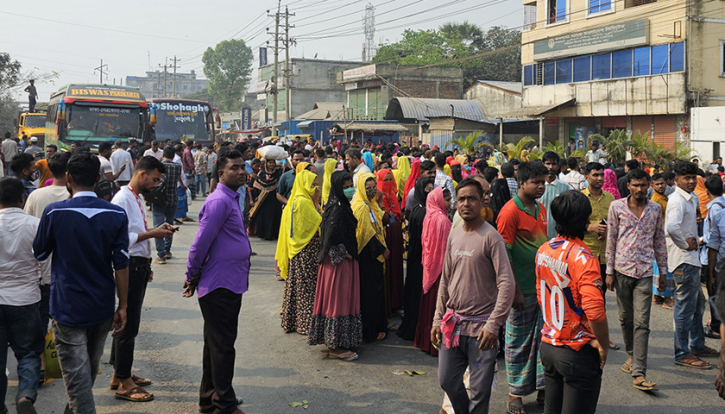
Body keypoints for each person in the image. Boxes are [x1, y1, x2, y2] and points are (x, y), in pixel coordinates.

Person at [33, 152, 129, 414]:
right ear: (98, 178)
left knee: (77, 378)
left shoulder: (55, 213)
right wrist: (124, 305)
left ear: (68, 178)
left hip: (67, 305)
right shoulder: (116, 214)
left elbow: (39, 251)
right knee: (85, 371)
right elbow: (121, 265)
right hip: (102, 305)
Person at [432, 178, 515, 414]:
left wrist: (494, 324)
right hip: (453, 325)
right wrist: (437, 319)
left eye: (472, 198)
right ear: (455, 203)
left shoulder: (491, 237)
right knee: (447, 380)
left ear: (482, 201)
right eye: (461, 199)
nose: (466, 203)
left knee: (480, 392)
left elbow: (506, 283)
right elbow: (445, 280)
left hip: (482, 331)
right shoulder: (454, 234)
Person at [183, 150, 250, 414]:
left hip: (229, 281)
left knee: (214, 343)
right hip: (220, 283)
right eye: (234, 168)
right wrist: (191, 274)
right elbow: (200, 244)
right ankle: (224, 403)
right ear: (220, 173)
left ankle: (208, 397)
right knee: (223, 346)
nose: (241, 171)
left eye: (243, 167)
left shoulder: (232, 198)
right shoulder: (219, 201)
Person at [536, 190, 610, 414]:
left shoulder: (544, 250)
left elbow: (542, 295)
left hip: (549, 344)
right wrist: (603, 344)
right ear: (586, 220)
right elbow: (595, 312)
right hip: (577, 350)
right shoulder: (584, 258)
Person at [108, 156, 175, 402]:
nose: (156, 184)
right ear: (141, 173)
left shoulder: (135, 197)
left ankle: (119, 373)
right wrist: (152, 234)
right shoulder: (123, 199)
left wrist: (147, 261)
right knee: (128, 322)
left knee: (130, 321)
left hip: (139, 265)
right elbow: (120, 240)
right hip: (130, 266)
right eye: (154, 179)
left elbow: (135, 234)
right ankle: (124, 382)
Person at [605, 168, 667, 391]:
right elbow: (611, 239)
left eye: (644, 185)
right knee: (625, 318)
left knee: (642, 323)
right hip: (622, 270)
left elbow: (659, 240)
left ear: (649, 184)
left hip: (644, 273)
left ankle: (639, 372)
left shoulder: (655, 209)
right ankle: (631, 354)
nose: (640, 189)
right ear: (628, 185)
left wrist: (662, 271)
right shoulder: (616, 207)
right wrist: (609, 271)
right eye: (636, 185)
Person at [497, 161, 548, 413]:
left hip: (542, 288)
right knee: (517, 342)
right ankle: (514, 393)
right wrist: (513, 289)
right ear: (522, 183)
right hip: (521, 289)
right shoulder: (509, 212)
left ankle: (542, 388)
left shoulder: (540, 208)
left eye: (544, 181)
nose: (541, 186)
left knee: (543, 341)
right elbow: (503, 254)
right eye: (536, 182)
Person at [0, 177, 48, 414]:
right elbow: (46, 263)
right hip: (26, 299)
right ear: (22, 199)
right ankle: (25, 396)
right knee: (28, 352)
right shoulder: (35, 225)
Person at [667, 161, 718, 369]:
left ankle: (697, 344)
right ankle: (682, 353)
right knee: (684, 309)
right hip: (684, 261)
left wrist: (694, 241)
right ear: (677, 180)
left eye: (692, 178)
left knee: (698, 305)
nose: (690, 181)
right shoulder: (677, 200)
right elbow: (671, 226)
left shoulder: (690, 198)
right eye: (685, 178)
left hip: (691, 259)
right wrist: (684, 244)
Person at [308, 171, 362, 360]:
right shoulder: (338, 208)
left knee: (340, 301)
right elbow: (330, 236)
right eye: (345, 187)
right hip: (338, 264)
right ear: (338, 188)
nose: (350, 189)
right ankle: (335, 346)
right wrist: (345, 254)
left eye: (350, 185)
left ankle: (338, 341)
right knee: (338, 302)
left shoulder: (337, 205)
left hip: (337, 263)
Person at [277, 170, 322, 335]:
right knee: (308, 288)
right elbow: (319, 221)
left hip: (299, 250)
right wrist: (317, 203)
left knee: (298, 286)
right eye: (312, 184)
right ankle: (306, 324)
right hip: (307, 250)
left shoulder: (296, 199)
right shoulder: (303, 202)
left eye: (316, 184)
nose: (315, 187)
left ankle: (295, 322)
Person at [353, 173, 389, 342]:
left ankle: (380, 326)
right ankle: (370, 330)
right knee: (370, 293)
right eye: (368, 188)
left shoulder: (372, 204)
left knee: (377, 291)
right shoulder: (360, 207)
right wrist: (381, 249)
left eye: (374, 187)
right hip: (368, 257)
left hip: (376, 256)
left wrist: (381, 201)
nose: (372, 190)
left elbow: (385, 220)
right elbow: (365, 235)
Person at [415, 187, 452, 356]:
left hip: (429, 267)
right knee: (438, 307)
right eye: (448, 200)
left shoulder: (429, 215)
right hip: (440, 269)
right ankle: (435, 344)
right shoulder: (442, 220)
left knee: (428, 307)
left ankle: (424, 341)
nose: (451, 203)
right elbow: (445, 249)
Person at [398, 178, 434, 341]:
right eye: (427, 189)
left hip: (416, 258)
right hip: (420, 259)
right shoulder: (423, 212)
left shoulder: (417, 210)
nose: (430, 192)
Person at [700, 175, 725, 339]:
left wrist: (700, 239)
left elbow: (714, 240)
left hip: (713, 260)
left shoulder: (715, 209)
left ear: (706, 191)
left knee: (714, 293)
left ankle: (716, 326)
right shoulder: (721, 205)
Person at [151, 146, 185, 264]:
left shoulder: (160, 166)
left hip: (159, 200)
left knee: (158, 226)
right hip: (172, 199)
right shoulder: (177, 166)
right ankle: (167, 250)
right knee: (169, 225)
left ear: (163, 154)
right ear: (174, 155)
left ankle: (161, 255)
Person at [377, 169, 404, 314]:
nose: (388, 183)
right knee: (388, 268)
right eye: (385, 180)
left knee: (397, 265)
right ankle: (388, 303)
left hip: (395, 234)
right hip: (385, 236)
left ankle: (397, 301)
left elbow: (398, 214)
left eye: (390, 179)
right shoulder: (377, 198)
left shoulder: (393, 195)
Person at [539, 151, 572, 240]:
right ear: (543, 165)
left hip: (559, 237)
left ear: (558, 166)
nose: (550, 167)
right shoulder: (536, 187)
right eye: (548, 164)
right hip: (537, 236)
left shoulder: (566, 188)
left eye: (554, 164)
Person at [252, 158, 284, 242]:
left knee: (275, 216)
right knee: (264, 216)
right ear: (266, 163)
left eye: (273, 162)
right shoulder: (261, 174)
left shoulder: (278, 173)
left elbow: (287, 168)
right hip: (264, 199)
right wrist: (256, 196)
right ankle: (265, 234)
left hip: (274, 198)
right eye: (270, 163)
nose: (272, 164)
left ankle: (273, 234)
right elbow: (256, 185)